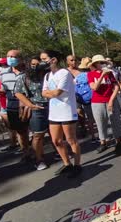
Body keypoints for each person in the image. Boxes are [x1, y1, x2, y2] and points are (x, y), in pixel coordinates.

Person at [41, 50, 82, 178]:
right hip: (54, 113)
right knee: (56, 140)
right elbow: (44, 93)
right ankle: (67, 163)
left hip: (67, 111)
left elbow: (57, 93)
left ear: (53, 60)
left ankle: (77, 165)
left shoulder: (64, 73)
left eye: (44, 59)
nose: (42, 62)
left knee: (71, 139)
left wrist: (50, 93)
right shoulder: (47, 76)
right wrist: (49, 93)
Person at [14, 56, 51, 171]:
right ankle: (39, 160)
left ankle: (59, 153)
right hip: (37, 109)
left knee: (55, 133)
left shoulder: (47, 75)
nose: (35, 66)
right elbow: (18, 93)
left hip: (52, 107)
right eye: (33, 64)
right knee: (38, 135)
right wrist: (30, 105)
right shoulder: (24, 77)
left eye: (38, 64)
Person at [88, 55, 121, 154]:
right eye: (100, 63)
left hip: (110, 100)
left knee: (115, 121)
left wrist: (111, 100)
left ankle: (118, 142)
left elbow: (116, 87)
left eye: (103, 62)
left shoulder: (110, 74)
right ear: (95, 64)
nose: (103, 64)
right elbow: (94, 88)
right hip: (97, 102)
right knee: (100, 123)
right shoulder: (91, 74)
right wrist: (102, 75)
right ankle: (103, 142)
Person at [1, 50, 30, 161]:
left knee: (37, 131)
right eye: (8, 56)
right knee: (20, 131)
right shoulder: (4, 72)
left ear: (20, 58)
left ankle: (39, 155)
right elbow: (5, 89)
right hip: (12, 105)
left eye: (13, 56)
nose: (10, 58)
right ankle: (26, 152)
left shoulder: (28, 72)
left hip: (28, 102)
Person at [0, 58, 18, 150]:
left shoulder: (11, 75)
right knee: (9, 126)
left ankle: (19, 145)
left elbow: (10, 90)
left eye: (3, 65)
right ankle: (14, 143)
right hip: (2, 104)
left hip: (10, 104)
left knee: (14, 126)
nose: (0, 67)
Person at [76, 57, 96, 140]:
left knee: (89, 118)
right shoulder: (92, 74)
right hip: (93, 98)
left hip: (82, 99)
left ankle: (93, 136)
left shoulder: (78, 77)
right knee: (95, 117)